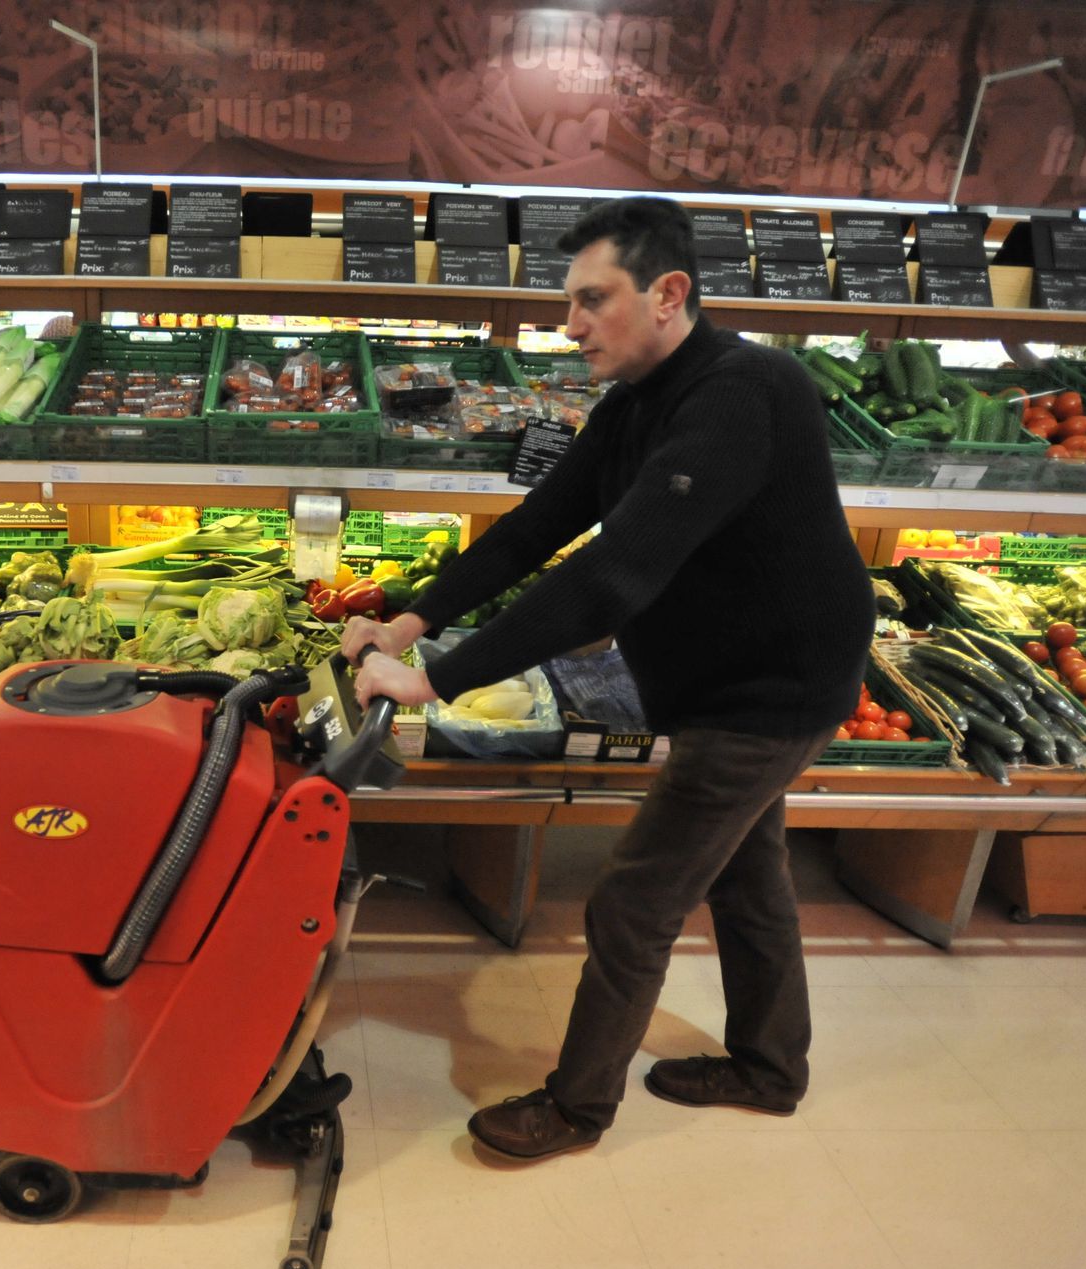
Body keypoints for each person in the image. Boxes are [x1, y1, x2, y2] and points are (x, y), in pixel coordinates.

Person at [340, 196, 875, 1161]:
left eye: (594, 300)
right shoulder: (639, 400)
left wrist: (440, 679)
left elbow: (612, 574)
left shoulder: (743, 392)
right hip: (726, 677)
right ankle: (770, 1066)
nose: (571, 324)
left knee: (634, 899)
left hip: (768, 692)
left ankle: (577, 1108)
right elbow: (539, 527)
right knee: (749, 877)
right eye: (570, 301)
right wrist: (414, 619)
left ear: (669, 293)